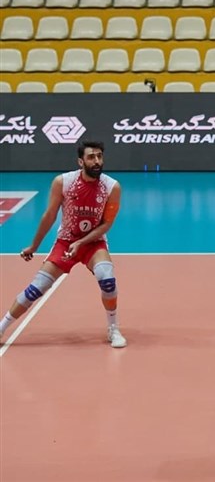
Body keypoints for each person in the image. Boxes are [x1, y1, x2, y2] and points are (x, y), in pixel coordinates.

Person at [0, 141, 126, 348]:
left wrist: (82, 242)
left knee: (107, 279)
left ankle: (113, 328)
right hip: (66, 242)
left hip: (93, 243)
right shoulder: (63, 182)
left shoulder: (112, 187)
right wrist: (34, 246)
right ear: (80, 161)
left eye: (99, 156)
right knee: (36, 289)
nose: (97, 161)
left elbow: (107, 224)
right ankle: (2, 327)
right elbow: (49, 215)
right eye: (91, 157)